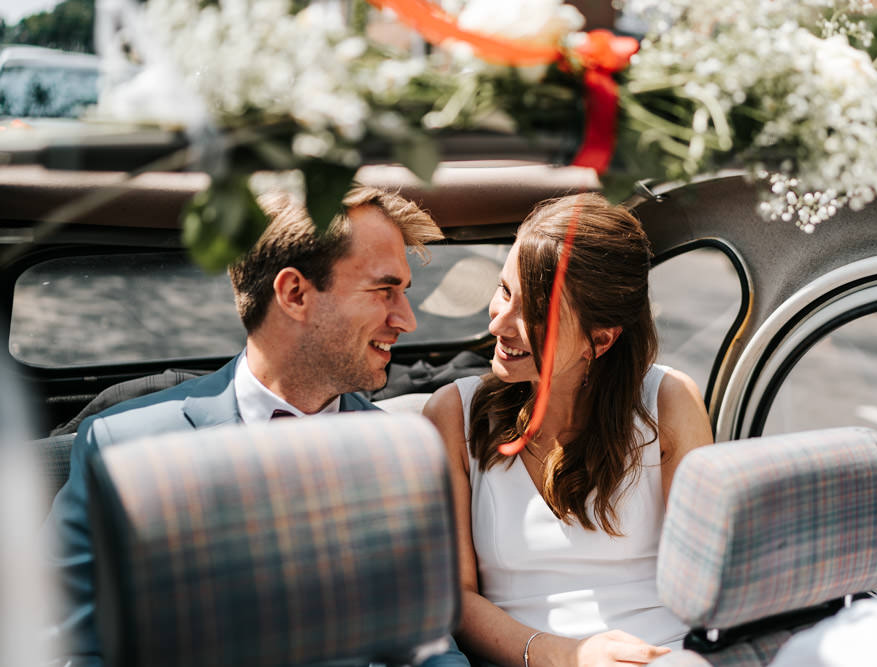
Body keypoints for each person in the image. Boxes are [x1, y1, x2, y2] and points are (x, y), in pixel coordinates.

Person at [42, 185, 464, 666]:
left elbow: (428, 645)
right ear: (295, 293)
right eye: (384, 290)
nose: (406, 319)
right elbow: (62, 643)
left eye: (404, 293)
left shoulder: (396, 452)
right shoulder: (121, 446)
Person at [422, 192, 715, 667]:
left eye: (535, 315)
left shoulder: (669, 402)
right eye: (503, 290)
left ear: (600, 339)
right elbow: (453, 599)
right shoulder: (452, 416)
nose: (498, 321)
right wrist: (565, 655)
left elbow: (708, 577)